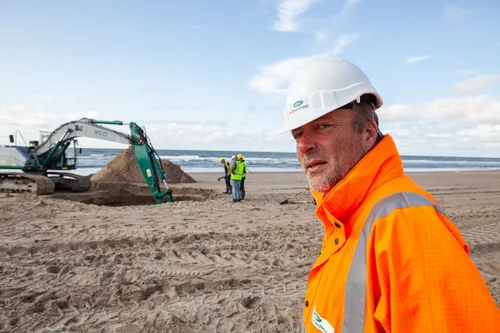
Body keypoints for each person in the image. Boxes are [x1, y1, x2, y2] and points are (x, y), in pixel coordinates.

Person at [277, 57, 500, 332]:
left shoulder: (408, 225)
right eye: (297, 133)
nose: (304, 145)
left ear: (368, 133)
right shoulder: (345, 213)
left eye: (322, 126)